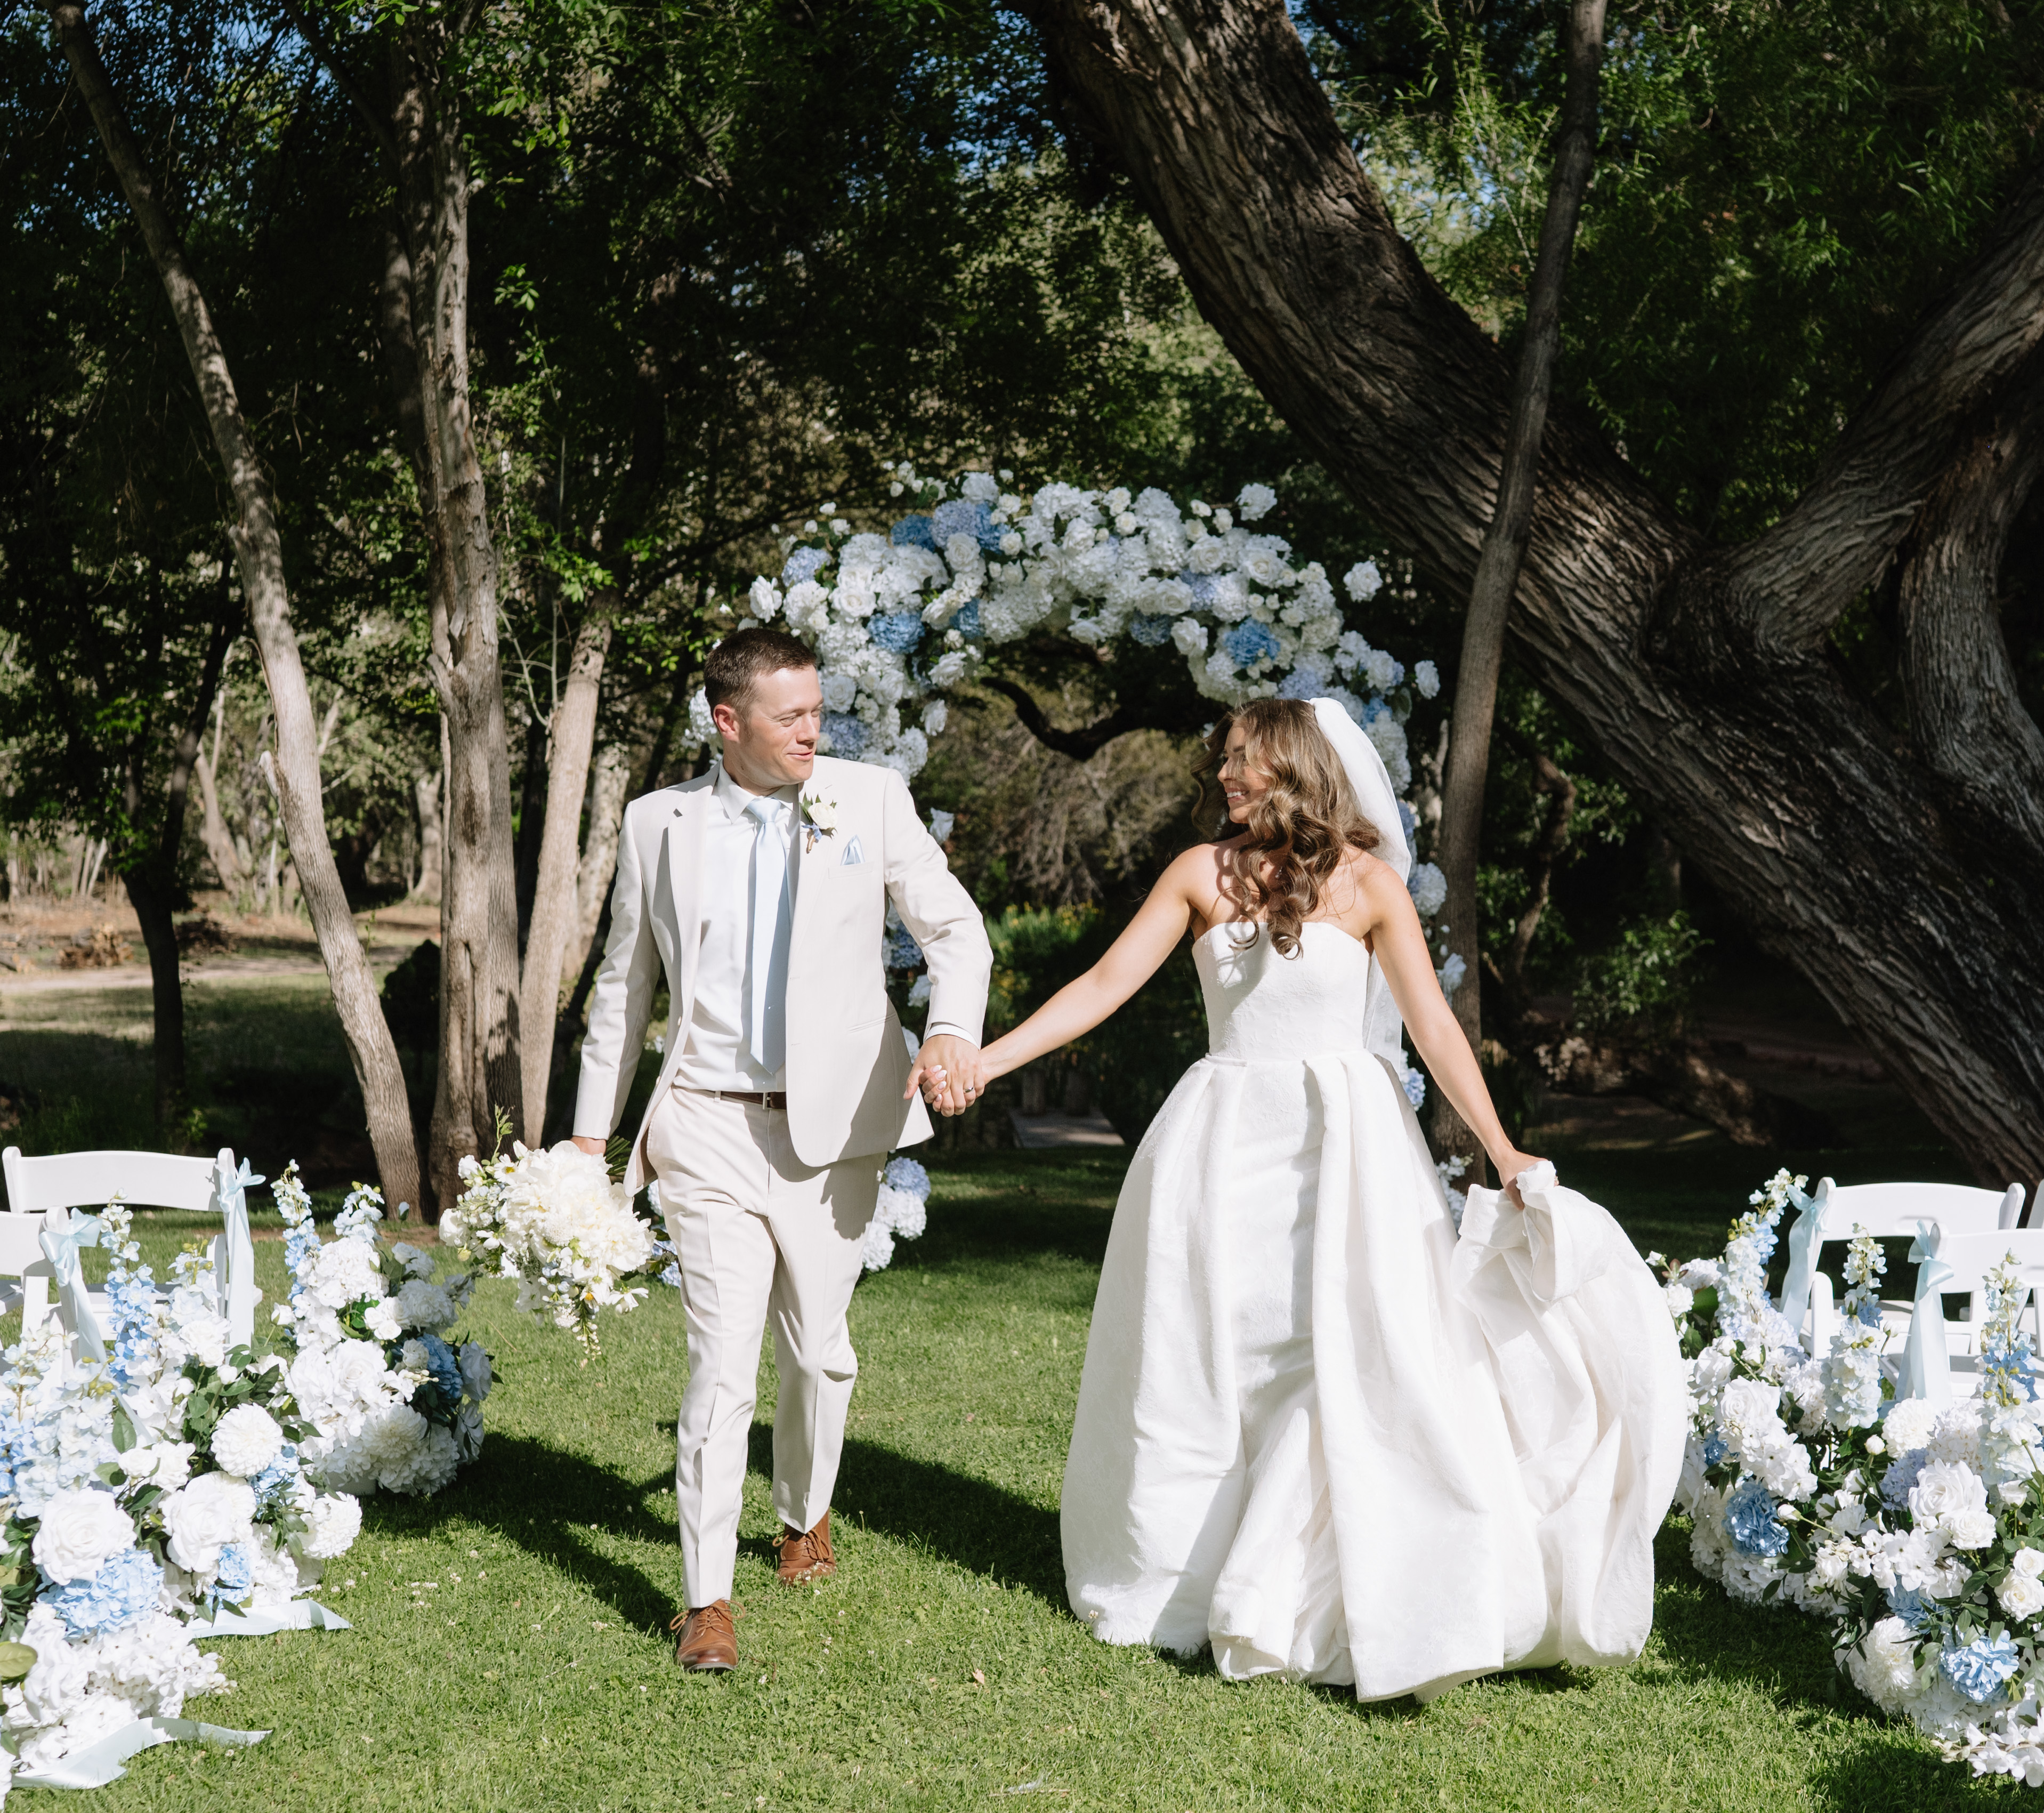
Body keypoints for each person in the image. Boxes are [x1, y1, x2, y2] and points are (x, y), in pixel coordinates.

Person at [968, 697, 1687, 1703]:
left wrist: (1502, 1147)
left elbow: (1434, 1031)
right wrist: (987, 1061)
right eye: (1222, 760)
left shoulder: (1370, 886)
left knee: (1344, 1355)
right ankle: (1188, 1578)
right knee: (1210, 1354)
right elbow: (1100, 986)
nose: (1223, 776)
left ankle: (1320, 1592)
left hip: (1347, 1150)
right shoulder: (1198, 875)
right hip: (1218, 1144)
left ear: (1294, 768)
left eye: (1242, 761)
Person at [570, 625, 991, 1674]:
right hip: (703, 1120)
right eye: (793, 714)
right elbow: (624, 986)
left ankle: (804, 1512)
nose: (817, 729)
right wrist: (590, 1133)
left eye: (819, 710)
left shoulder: (867, 798)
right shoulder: (657, 823)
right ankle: (704, 1599)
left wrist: (950, 1030)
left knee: (820, 1350)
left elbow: (957, 934)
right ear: (729, 722)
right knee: (721, 1364)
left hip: (833, 1129)